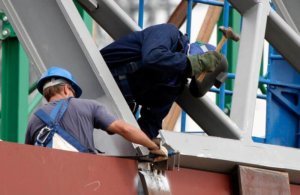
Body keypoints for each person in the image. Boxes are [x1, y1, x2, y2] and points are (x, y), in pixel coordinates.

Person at [100, 23, 228, 139]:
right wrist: (190, 64)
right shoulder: (169, 33)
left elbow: (151, 123)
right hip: (97, 73)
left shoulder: (174, 84)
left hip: (112, 104)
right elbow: (152, 57)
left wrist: (145, 143)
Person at [25, 67, 167, 157]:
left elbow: (29, 156)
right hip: (82, 179)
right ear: (66, 89)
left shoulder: (34, 118)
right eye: (73, 92)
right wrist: (153, 146)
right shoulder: (88, 106)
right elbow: (123, 129)